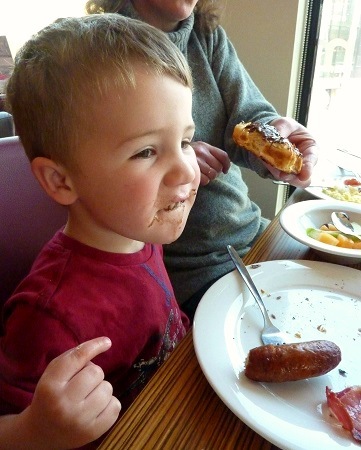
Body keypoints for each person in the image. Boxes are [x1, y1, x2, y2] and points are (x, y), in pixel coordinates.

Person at [0, 13, 200, 449]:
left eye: (185, 140)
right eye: (147, 151)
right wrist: (33, 430)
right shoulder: (48, 316)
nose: (187, 168)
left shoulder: (142, 233)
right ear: (60, 181)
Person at [85, 0, 319, 320]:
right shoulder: (99, 51)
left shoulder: (207, 36)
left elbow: (248, 117)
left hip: (251, 232)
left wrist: (276, 135)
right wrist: (175, 154)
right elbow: (99, 167)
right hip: (187, 269)